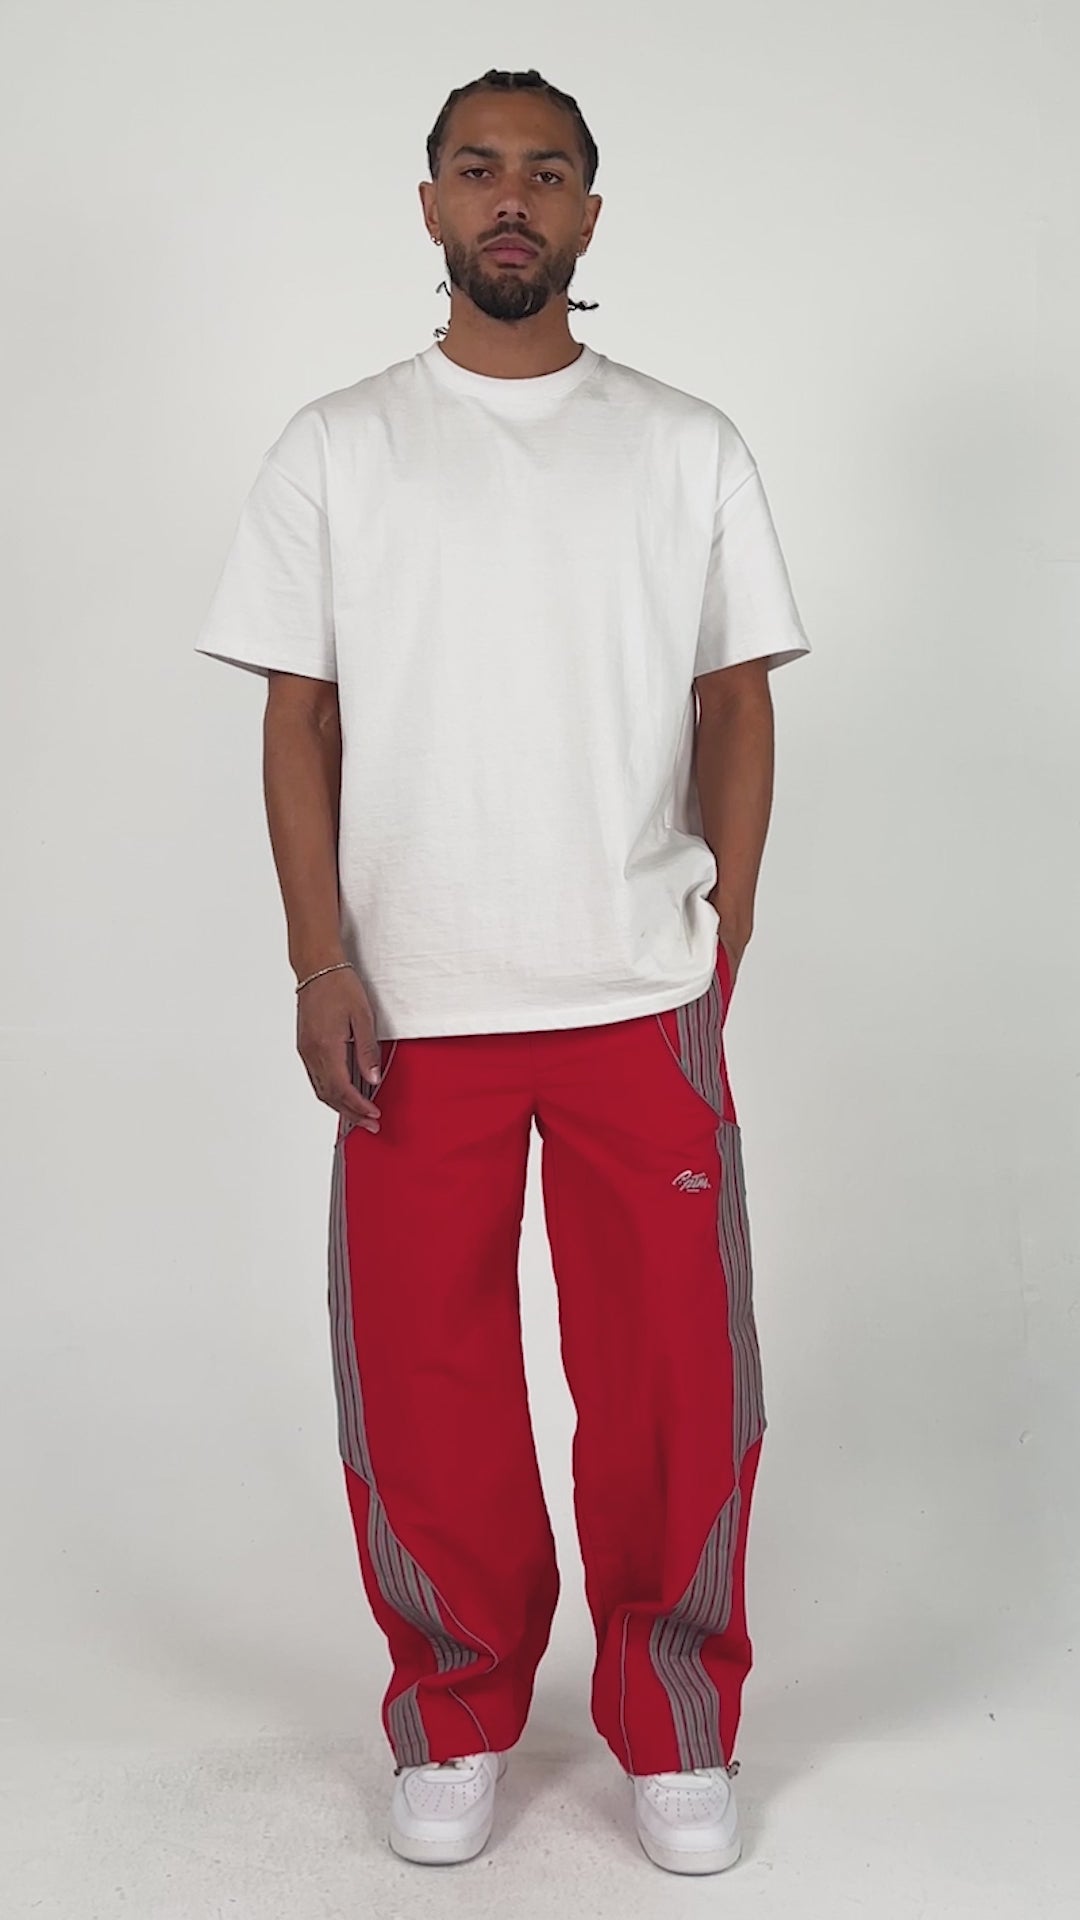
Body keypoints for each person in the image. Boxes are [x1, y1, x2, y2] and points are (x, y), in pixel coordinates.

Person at [193, 66, 810, 1878]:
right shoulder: (337, 446)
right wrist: (319, 959)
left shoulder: (684, 444)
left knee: (676, 1379)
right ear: (432, 205)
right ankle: (454, 1708)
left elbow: (735, 703)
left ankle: (675, 1723)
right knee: (425, 1380)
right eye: (479, 169)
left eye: (547, 172)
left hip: (634, 993)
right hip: (413, 1001)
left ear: (592, 213)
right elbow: (297, 720)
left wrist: (722, 934)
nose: (512, 199)